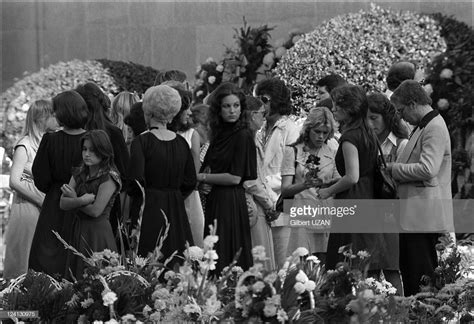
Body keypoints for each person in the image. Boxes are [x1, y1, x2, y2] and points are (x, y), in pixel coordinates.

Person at [386, 80, 453, 296]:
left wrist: (393, 169)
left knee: (421, 278)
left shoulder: (433, 126)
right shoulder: (422, 126)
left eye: (401, 110)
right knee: (413, 275)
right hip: (414, 214)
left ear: (413, 103)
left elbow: (428, 168)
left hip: (423, 216)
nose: (401, 116)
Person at [128, 85, 196, 263]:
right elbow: (190, 181)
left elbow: (135, 181)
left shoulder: (141, 142)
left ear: (148, 112)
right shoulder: (181, 143)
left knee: (147, 260)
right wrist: (173, 194)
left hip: (148, 207)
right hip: (175, 207)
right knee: (176, 260)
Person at [318, 85, 379, 272]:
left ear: (350, 108)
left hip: (353, 199)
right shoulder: (368, 133)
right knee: (362, 258)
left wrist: (327, 191)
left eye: (337, 106)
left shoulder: (349, 137)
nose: (333, 109)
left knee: (346, 258)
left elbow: (352, 176)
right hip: (369, 195)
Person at [197, 82, 257, 272]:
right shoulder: (218, 133)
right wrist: (205, 179)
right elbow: (209, 165)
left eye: (236, 105)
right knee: (213, 254)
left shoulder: (243, 135)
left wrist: (202, 178)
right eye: (226, 106)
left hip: (231, 200)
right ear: (219, 109)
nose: (232, 111)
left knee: (228, 254)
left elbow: (235, 178)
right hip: (214, 199)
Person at [29, 91, 88, 277]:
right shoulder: (93, 138)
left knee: (48, 252)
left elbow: (40, 176)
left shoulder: (50, 140)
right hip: (85, 201)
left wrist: (55, 189)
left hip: (56, 199)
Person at [4, 100, 57, 280]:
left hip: (44, 205)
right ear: (41, 118)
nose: (56, 118)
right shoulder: (25, 145)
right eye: (52, 114)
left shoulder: (48, 142)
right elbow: (14, 181)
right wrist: (39, 199)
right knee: (23, 256)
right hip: (27, 205)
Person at [59, 130, 121, 278]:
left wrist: (73, 199)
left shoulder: (109, 177)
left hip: (98, 233)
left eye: (92, 150)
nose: (87, 154)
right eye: (84, 149)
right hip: (77, 230)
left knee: (99, 279)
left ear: (103, 151)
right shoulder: (79, 173)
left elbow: (95, 211)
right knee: (76, 279)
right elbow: (62, 203)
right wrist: (80, 200)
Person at [366, 92, 410, 294]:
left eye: (374, 118)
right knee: (370, 270)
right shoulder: (365, 143)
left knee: (392, 269)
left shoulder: (401, 144)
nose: (370, 123)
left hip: (392, 213)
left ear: (387, 117)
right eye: (366, 118)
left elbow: (401, 182)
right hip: (370, 211)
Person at [281, 107, 340, 258]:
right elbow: (285, 189)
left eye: (325, 133)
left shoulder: (332, 152)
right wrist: (304, 184)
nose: (321, 136)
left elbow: (338, 182)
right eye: (317, 131)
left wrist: (329, 184)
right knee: (301, 267)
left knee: (324, 266)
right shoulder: (293, 151)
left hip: (325, 215)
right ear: (308, 129)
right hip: (302, 216)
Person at [254, 78, 299, 268]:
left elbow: (292, 170)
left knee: (284, 266)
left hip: (281, 205)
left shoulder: (291, 129)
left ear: (277, 101)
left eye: (264, 100)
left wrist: (268, 193)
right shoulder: (259, 130)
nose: (261, 106)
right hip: (261, 204)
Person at [75, 82, 130, 238]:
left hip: (92, 204)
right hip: (107, 205)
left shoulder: (78, 133)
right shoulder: (113, 132)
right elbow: (125, 173)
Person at [168, 86, 205, 247]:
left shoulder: (191, 134)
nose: (190, 113)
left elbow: (194, 175)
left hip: (188, 196)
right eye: (186, 108)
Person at [243, 96, 276, 269]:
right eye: (263, 113)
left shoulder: (252, 138)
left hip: (259, 202)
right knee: (260, 260)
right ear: (252, 115)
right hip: (253, 203)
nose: (265, 117)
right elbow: (251, 181)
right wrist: (269, 203)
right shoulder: (247, 139)